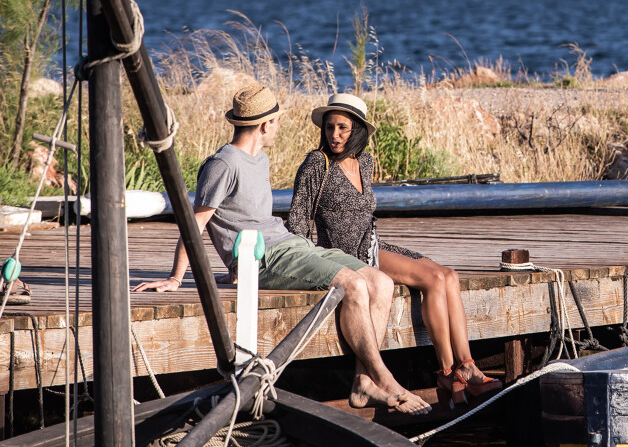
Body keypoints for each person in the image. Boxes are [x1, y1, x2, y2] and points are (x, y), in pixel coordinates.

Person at [133, 85, 429, 415]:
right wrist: (176, 277)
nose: (277, 127)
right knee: (354, 285)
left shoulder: (259, 159)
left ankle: (364, 383)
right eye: (276, 121)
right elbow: (195, 223)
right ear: (265, 125)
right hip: (264, 259)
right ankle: (385, 378)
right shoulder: (223, 164)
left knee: (381, 282)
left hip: (291, 245)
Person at [288, 93, 501, 409]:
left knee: (447, 276)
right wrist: (304, 263)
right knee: (432, 281)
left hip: (373, 245)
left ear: (357, 129)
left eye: (343, 128)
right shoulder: (317, 164)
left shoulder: (366, 162)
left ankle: (466, 365)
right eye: (330, 128)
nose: (334, 135)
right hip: (344, 256)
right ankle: (445, 370)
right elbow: (297, 217)